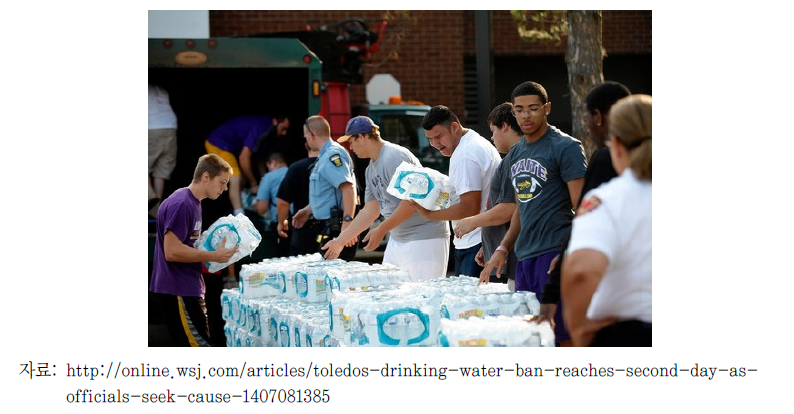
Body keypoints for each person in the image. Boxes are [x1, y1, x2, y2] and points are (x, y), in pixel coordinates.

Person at [480, 81, 587, 345]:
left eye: (533, 108)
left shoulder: (566, 147)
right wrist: (503, 248)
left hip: (553, 252)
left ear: (547, 108)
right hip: (524, 257)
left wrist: (568, 253)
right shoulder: (515, 153)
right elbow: (521, 206)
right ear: (513, 113)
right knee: (532, 339)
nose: (526, 115)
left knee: (561, 336)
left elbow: (584, 208)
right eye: (519, 110)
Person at [561, 94, 652, 347]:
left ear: (618, 145)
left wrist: (579, 329)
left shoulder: (607, 201)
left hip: (629, 333)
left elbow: (581, 271)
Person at [538, 81, 631, 322]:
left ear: (598, 117)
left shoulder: (606, 158)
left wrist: (550, 294)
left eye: (587, 117)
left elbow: (583, 221)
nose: (587, 125)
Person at [321, 116, 451, 280]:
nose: (350, 147)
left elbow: (411, 202)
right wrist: (340, 241)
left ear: (362, 137)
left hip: (424, 237)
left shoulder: (394, 156)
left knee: (423, 299)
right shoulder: (370, 169)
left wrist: (381, 229)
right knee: (391, 294)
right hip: (398, 239)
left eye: (351, 141)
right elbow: (370, 210)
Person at [149, 154, 239, 347]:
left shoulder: (193, 202)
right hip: (178, 289)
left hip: (187, 288)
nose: (224, 189)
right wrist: (213, 255)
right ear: (206, 177)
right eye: (222, 183)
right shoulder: (182, 203)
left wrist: (211, 252)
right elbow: (171, 251)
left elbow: (185, 246)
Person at [410, 106, 501, 277]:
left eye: (439, 137)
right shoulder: (473, 141)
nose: (435, 144)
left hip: (476, 242)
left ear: (454, 127)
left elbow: (470, 208)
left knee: (471, 304)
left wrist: (429, 215)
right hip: (481, 239)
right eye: (430, 139)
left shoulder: (464, 154)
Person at [453, 103, 521, 289]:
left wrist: (472, 221)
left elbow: (509, 209)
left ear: (505, 126)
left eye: (493, 130)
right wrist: (490, 245)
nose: (492, 137)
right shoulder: (512, 157)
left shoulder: (514, 159)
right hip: (502, 251)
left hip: (511, 258)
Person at [291, 115, 358, 260]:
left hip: (337, 229)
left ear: (312, 135)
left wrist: (346, 226)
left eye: (306, 137)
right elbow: (328, 191)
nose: (306, 141)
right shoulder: (325, 156)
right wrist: (309, 210)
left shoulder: (332, 155)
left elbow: (348, 189)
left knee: (333, 278)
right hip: (328, 229)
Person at [205, 115, 290, 216]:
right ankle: (240, 216)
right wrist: (254, 183)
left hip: (232, 147)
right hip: (217, 144)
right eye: (283, 128)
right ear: (275, 121)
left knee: (243, 176)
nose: (284, 133)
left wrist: (263, 180)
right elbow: (244, 157)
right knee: (236, 177)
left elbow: (259, 157)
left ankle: (239, 204)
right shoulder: (261, 128)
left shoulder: (269, 133)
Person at [276, 142, 320, 256]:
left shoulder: (295, 168)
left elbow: (283, 202)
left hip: (302, 230)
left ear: (306, 146)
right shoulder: (333, 166)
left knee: (299, 270)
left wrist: (281, 223)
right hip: (331, 230)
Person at [148, 84, 178, 217]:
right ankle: (156, 210)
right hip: (170, 126)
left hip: (151, 127)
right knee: (161, 171)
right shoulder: (161, 89)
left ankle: (150, 195)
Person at [254, 152, 289, 257]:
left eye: (268, 166)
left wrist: (254, 206)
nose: (268, 169)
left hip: (280, 224)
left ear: (273, 162)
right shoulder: (296, 171)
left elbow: (262, 208)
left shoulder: (268, 177)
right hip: (301, 221)